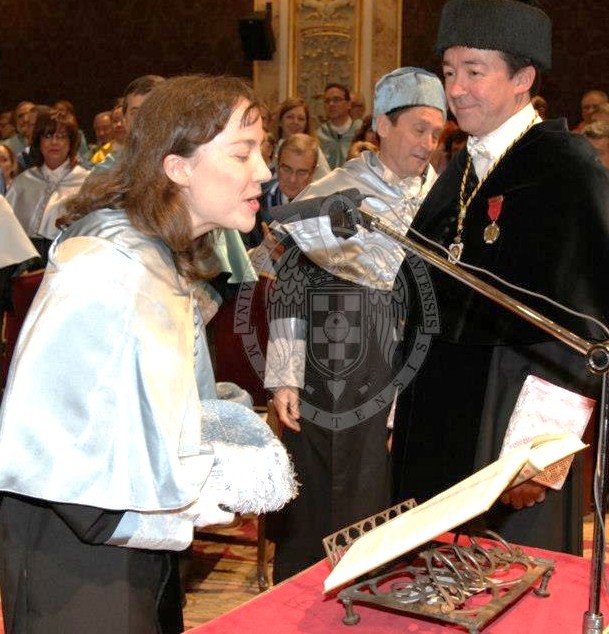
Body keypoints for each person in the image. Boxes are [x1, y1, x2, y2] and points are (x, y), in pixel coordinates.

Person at [0, 74, 296, 633]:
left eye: (263, 151)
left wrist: (210, 426)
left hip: (128, 551)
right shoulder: (107, 270)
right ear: (177, 166)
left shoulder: (154, 255)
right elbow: (52, 444)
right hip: (83, 567)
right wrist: (203, 480)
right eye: (242, 152)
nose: (263, 171)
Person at [392, 0, 609, 556]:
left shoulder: (567, 169)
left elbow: (587, 325)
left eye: (474, 72)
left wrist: (541, 456)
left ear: (523, 79)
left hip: (512, 416)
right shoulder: (459, 173)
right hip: (436, 409)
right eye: (448, 73)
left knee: (512, 583)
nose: (456, 89)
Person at [265, 66, 446, 583]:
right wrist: (284, 375)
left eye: (437, 133)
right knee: (336, 496)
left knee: (402, 497)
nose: (428, 143)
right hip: (337, 370)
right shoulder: (334, 190)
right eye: (417, 128)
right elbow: (291, 287)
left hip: (419, 368)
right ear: (382, 126)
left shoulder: (446, 199)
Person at [6, 108, 90, 263]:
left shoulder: (86, 182)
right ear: (38, 141)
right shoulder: (22, 182)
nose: (54, 142)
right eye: (48, 136)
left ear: (71, 142)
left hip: (70, 262)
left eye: (62, 136)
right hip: (24, 267)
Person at [275, 97, 330, 180]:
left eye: (301, 119)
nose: (295, 122)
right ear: (280, 121)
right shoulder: (270, 148)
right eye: (290, 117)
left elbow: (327, 181)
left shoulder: (313, 151)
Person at [315, 83, 361, 169]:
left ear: (348, 104)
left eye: (336, 99)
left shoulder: (360, 131)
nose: (331, 104)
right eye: (327, 101)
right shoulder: (319, 135)